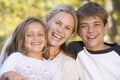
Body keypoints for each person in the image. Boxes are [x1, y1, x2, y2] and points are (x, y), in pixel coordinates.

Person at [0, 4, 79, 80]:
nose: (60, 30)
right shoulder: (16, 53)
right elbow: (3, 73)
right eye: (57, 23)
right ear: (46, 19)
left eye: (67, 28)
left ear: (71, 34)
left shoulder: (63, 65)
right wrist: (9, 74)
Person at [68, 2, 120, 80]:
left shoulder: (118, 54)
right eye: (84, 26)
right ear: (78, 31)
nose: (90, 31)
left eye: (96, 24)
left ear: (105, 27)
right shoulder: (74, 49)